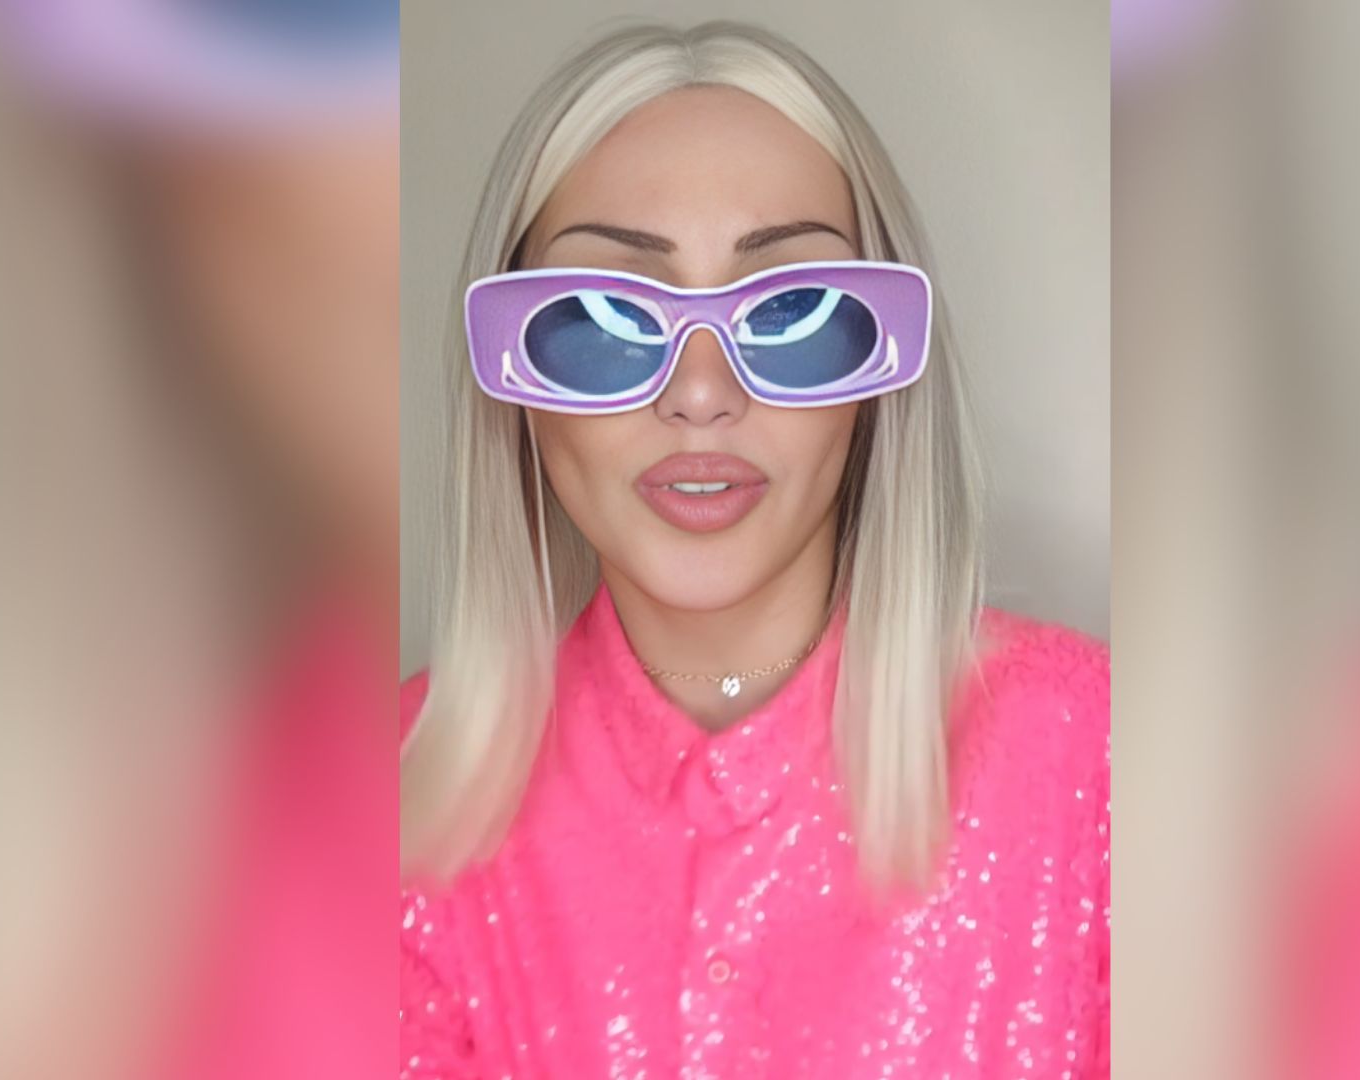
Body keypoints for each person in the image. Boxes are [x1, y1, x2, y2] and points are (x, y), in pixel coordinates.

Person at [401, 21, 1109, 1078]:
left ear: (880, 376)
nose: (701, 394)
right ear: (515, 384)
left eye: (795, 312)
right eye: (602, 318)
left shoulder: (1101, 763)